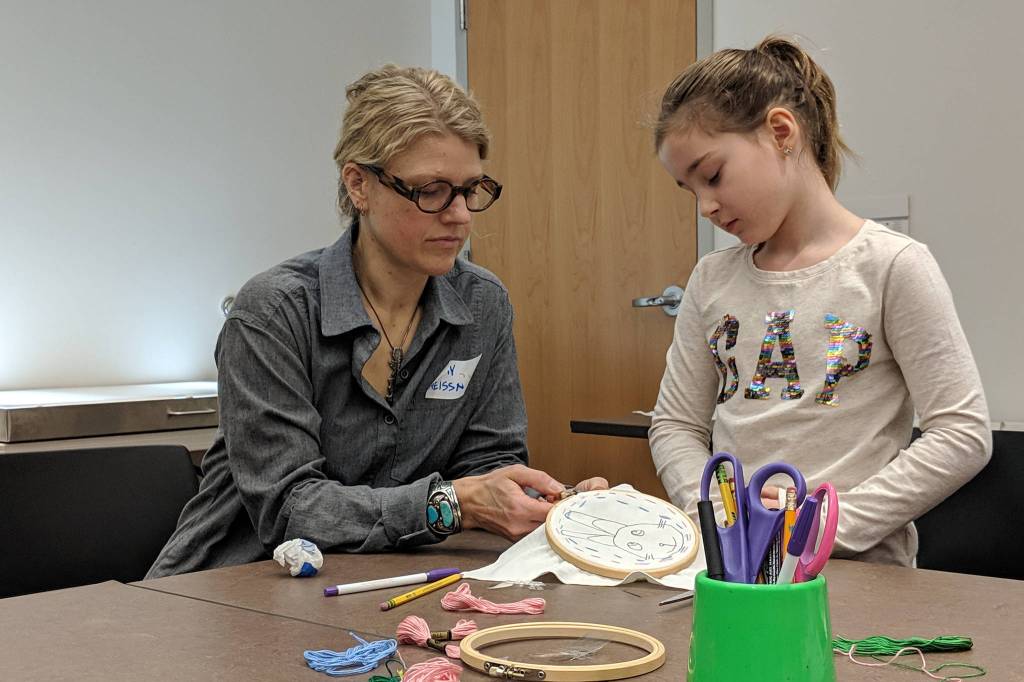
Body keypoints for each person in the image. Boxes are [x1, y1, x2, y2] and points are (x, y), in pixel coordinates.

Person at [147, 65, 606, 579]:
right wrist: (453, 505)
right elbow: (292, 511)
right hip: (228, 589)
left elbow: (487, 467)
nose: (459, 216)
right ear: (359, 185)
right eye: (431, 190)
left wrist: (544, 500)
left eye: (471, 189)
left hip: (383, 583)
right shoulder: (274, 313)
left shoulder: (482, 304)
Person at [647, 36, 991, 566]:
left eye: (712, 176)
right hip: (735, 570)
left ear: (781, 132)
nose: (706, 207)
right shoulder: (711, 280)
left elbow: (962, 434)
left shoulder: (892, 266)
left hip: (858, 578)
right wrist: (714, 517)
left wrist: (823, 527)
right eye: (689, 189)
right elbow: (676, 425)